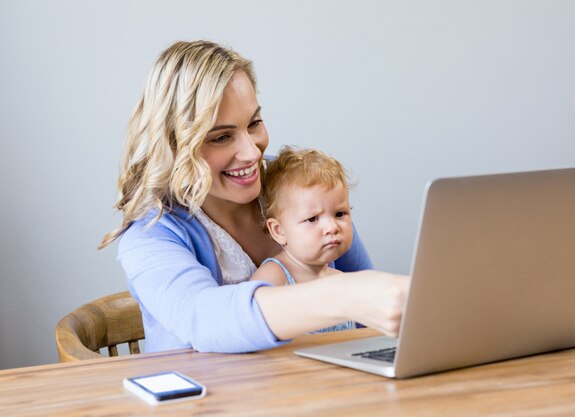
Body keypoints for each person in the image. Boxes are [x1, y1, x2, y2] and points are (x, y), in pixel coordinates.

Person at [100, 40, 407, 354]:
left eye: (254, 124)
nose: (251, 153)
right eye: (221, 137)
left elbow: (368, 300)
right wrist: (341, 296)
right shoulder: (152, 235)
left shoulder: (294, 185)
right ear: (175, 146)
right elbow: (203, 320)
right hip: (206, 398)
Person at [251, 146, 356, 333]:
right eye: (313, 219)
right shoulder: (274, 277)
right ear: (279, 231)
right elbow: (252, 329)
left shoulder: (341, 281)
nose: (332, 227)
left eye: (340, 214)